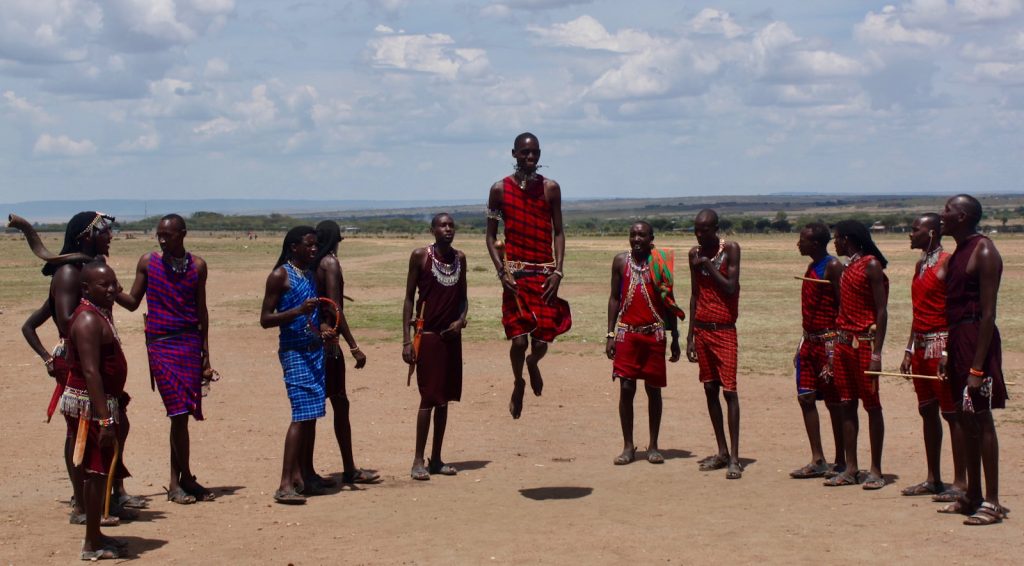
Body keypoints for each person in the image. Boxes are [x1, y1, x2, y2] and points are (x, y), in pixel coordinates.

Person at [17, 211, 143, 523]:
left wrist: (147, 272)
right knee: (82, 430)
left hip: (97, 360)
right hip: (82, 362)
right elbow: (66, 323)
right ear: (87, 235)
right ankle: (82, 501)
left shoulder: (91, 269)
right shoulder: (68, 273)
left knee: (115, 424)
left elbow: (130, 302)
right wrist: (55, 356)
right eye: (104, 230)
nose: (110, 236)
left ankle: (111, 492)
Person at [116, 214, 216, 504]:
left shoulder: (198, 266)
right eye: (158, 234)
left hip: (189, 344)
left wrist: (206, 354)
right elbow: (132, 303)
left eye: (167, 234)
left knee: (182, 416)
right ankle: (178, 482)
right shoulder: (148, 263)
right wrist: (111, 288)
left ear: (182, 234)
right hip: (161, 345)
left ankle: (183, 479)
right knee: (178, 413)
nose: (161, 239)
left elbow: (201, 310)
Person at [485, 132, 571, 419]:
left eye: (535, 152)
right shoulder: (499, 190)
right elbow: (490, 237)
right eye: (525, 152)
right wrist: (502, 272)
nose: (530, 157)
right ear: (514, 154)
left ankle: (533, 363)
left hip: (545, 275)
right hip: (515, 277)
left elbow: (559, 232)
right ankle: (518, 382)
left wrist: (558, 271)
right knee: (519, 340)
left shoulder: (551, 189)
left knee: (542, 341)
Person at [938, 194, 1009, 525]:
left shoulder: (984, 251)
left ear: (962, 216)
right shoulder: (958, 253)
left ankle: (992, 502)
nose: (942, 214)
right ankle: (971, 495)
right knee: (963, 418)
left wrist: (978, 367)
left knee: (980, 417)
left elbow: (988, 314)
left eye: (948, 210)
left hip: (977, 339)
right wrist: (947, 351)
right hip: (958, 339)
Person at [259, 227, 334, 504]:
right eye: (309, 245)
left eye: (316, 245)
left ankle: (306, 475)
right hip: (294, 352)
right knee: (301, 415)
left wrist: (322, 328)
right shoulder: (280, 276)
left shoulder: (310, 274)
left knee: (312, 414)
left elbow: (315, 316)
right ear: (293, 247)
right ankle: (285, 483)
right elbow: (265, 319)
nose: (315, 249)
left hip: (314, 350)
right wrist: (297, 311)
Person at [62, 261, 131, 560]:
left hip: (99, 403)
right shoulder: (88, 319)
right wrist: (104, 419)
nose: (112, 289)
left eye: (114, 283)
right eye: (105, 285)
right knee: (95, 471)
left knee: (100, 471)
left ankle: (97, 533)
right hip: (89, 407)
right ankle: (91, 543)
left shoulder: (99, 313)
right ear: (86, 288)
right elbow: (91, 372)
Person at [898, 213, 966, 500]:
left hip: (941, 345)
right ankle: (933, 479)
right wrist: (908, 349)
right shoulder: (920, 265)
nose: (910, 234)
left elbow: (956, 310)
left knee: (952, 414)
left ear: (932, 233)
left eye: (915, 230)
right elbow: (918, 310)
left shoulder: (948, 262)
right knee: (927, 411)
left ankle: (960, 482)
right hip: (920, 347)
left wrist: (948, 350)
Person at [606, 222, 683, 465]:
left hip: (654, 335)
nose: (636, 239)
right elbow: (614, 298)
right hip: (627, 334)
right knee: (626, 388)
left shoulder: (660, 262)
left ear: (651, 238)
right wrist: (610, 334)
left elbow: (669, 302)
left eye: (642, 235)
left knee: (653, 390)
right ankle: (628, 447)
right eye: (633, 234)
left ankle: (654, 445)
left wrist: (675, 338)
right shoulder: (620, 262)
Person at [313, 220, 379, 485]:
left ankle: (307, 470)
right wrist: (353, 346)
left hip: (314, 340)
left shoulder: (311, 263)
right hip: (329, 345)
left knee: (314, 408)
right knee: (340, 404)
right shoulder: (329, 263)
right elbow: (334, 307)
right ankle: (348, 468)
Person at [402, 213, 468, 480]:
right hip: (427, 336)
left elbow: (463, 298)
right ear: (432, 230)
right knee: (429, 397)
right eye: (442, 225)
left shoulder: (460, 258)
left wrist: (460, 321)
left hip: (451, 338)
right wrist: (407, 340)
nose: (448, 229)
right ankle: (418, 460)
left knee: (444, 399)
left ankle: (437, 459)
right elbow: (409, 299)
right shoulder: (420, 256)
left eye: (451, 225)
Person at [825, 220, 888, 490]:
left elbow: (882, 311)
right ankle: (851, 468)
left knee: (872, 406)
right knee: (847, 404)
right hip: (842, 344)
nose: (834, 243)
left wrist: (877, 353)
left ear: (847, 239)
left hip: (863, 344)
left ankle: (876, 470)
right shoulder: (847, 267)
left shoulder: (871, 265)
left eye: (837, 238)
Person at [686, 209, 743, 479]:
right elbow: (695, 294)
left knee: (729, 392)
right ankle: (721, 451)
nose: (699, 234)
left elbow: (730, 287)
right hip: (702, 330)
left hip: (724, 330)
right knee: (710, 388)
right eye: (696, 230)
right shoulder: (693, 254)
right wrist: (690, 336)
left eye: (705, 230)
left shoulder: (730, 249)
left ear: (716, 228)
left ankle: (735, 457)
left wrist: (707, 265)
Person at [789, 223, 846, 480]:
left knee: (835, 403)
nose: (798, 244)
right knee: (806, 397)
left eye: (802, 240)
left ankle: (842, 460)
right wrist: (801, 343)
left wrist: (837, 349)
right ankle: (818, 459)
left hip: (828, 342)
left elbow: (842, 305)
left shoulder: (832, 266)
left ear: (815, 243)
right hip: (809, 342)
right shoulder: (812, 266)